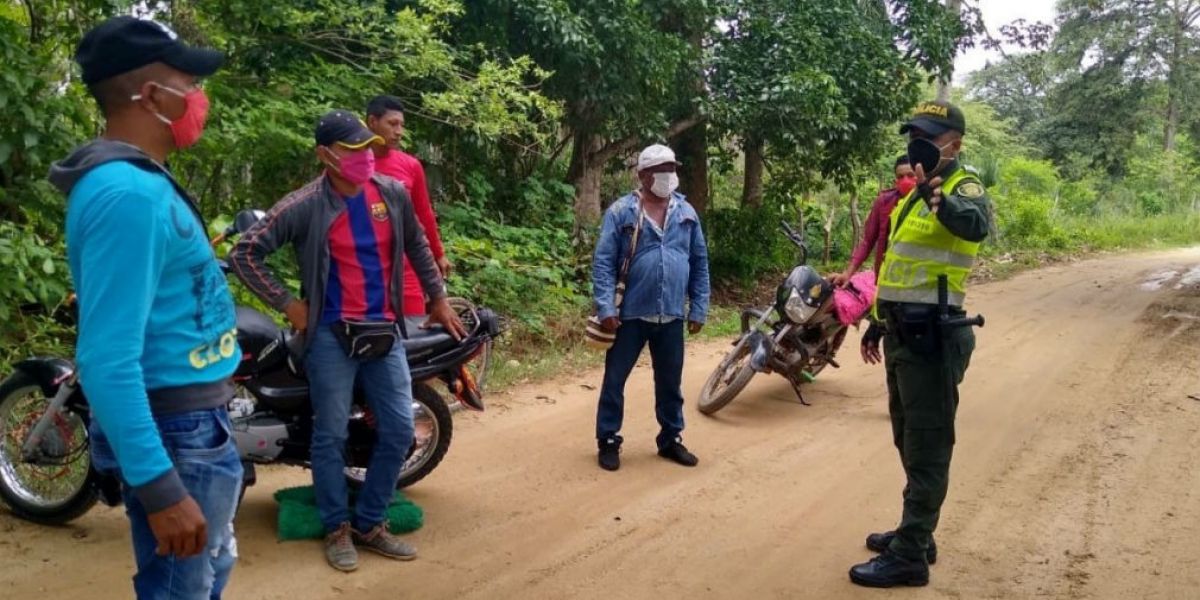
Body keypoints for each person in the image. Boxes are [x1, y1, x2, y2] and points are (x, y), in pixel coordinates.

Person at [48, 16, 243, 599]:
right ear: (154, 96)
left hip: (190, 422)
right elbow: (107, 360)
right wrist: (160, 488)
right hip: (177, 431)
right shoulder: (127, 195)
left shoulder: (138, 182)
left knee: (204, 575)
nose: (199, 99)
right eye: (190, 83)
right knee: (180, 588)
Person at [228, 110, 467, 572]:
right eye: (351, 150)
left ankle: (371, 522)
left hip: (384, 333)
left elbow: (416, 244)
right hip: (330, 339)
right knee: (330, 434)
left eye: (366, 148)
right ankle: (337, 527)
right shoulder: (304, 205)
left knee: (399, 430)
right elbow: (245, 252)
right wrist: (289, 305)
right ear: (326, 155)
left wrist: (436, 297)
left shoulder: (391, 194)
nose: (363, 157)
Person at [852, 100, 992, 588]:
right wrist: (877, 320)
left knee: (929, 445)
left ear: (954, 142)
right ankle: (917, 531)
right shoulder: (909, 194)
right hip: (901, 330)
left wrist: (940, 197)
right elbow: (897, 267)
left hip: (934, 335)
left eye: (929, 136)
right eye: (914, 133)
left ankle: (911, 555)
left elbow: (976, 225)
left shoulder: (961, 186)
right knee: (907, 437)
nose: (919, 143)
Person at [592, 143, 711, 472]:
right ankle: (608, 439)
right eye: (661, 170)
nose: (669, 175)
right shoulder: (621, 212)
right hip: (629, 314)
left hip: (671, 313)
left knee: (670, 382)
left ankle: (671, 439)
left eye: (673, 168)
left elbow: (699, 262)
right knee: (615, 379)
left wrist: (698, 307)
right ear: (643, 175)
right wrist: (605, 307)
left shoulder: (687, 214)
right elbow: (603, 263)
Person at [365, 94, 452, 315]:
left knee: (413, 333)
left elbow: (424, 213)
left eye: (401, 125)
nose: (398, 131)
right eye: (392, 124)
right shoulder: (352, 163)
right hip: (365, 266)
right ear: (372, 122)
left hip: (407, 266)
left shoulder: (410, 165)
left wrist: (438, 253)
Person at [831, 156, 916, 287]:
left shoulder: (931, 202)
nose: (905, 180)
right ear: (895, 181)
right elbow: (867, 241)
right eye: (900, 177)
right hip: (888, 276)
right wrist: (848, 273)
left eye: (911, 175)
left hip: (919, 278)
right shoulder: (883, 203)